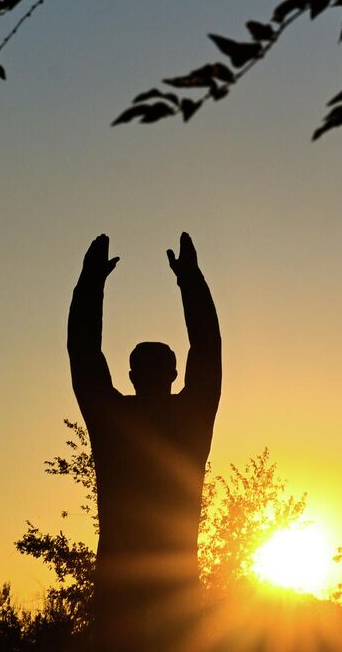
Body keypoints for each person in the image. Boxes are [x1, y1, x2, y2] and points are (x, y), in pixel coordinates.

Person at [69, 232, 221, 651]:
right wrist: (191, 282)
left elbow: (83, 353)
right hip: (174, 580)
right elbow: (208, 349)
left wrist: (90, 284)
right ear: (174, 375)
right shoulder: (191, 417)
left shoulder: (114, 419)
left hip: (122, 578)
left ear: (132, 376)